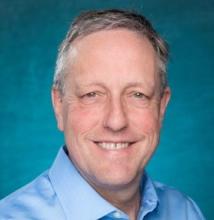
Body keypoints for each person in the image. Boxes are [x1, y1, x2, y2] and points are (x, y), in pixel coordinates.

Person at [0, 9, 205, 220]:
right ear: (59, 105)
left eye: (137, 94)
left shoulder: (185, 212)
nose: (116, 121)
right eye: (92, 94)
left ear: (161, 107)